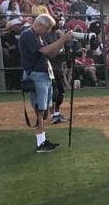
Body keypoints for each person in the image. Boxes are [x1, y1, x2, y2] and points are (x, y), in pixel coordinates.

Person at [19, 14, 75, 153]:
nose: (48, 31)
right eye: (47, 28)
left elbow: (51, 54)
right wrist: (62, 39)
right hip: (36, 75)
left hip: (43, 74)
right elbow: (44, 51)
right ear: (40, 24)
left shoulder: (37, 36)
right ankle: (40, 143)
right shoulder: (28, 34)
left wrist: (62, 42)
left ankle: (42, 139)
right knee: (40, 109)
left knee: (43, 108)